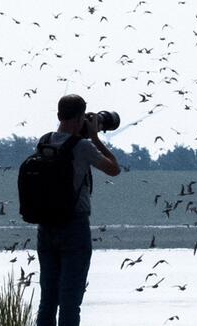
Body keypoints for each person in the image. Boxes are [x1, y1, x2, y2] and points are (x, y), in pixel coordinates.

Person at [36, 94, 121, 326]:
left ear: (58, 115)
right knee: (70, 302)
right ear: (80, 117)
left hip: (45, 227)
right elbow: (114, 168)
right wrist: (95, 136)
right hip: (74, 228)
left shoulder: (43, 142)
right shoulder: (82, 146)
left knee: (48, 301)